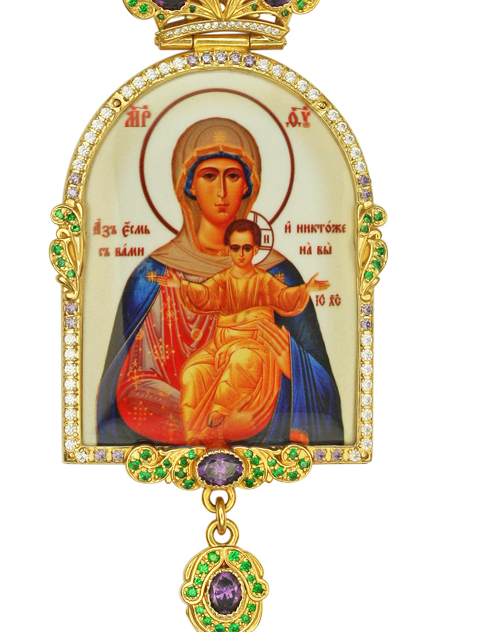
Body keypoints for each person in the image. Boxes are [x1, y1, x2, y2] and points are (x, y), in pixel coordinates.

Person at [96, 116, 344, 446]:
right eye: (209, 176)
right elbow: (131, 392)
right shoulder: (154, 275)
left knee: (243, 362)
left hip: (258, 408)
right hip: (194, 415)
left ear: (248, 186)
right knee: (194, 371)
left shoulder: (276, 273)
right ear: (188, 185)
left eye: (233, 176)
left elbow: (326, 410)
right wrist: (222, 429)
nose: (222, 191)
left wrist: (295, 364)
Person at [155, 219, 330, 445]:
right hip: (222, 342)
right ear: (228, 250)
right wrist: (181, 285)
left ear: (255, 250)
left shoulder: (263, 280)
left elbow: (284, 297)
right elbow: (204, 294)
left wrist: (306, 288)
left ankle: (221, 408)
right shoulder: (222, 280)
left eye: (246, 248)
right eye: (235, 248)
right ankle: (193, 436)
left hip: (254, 342)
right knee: (192, 371)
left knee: (242, 359)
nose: (240, 254)